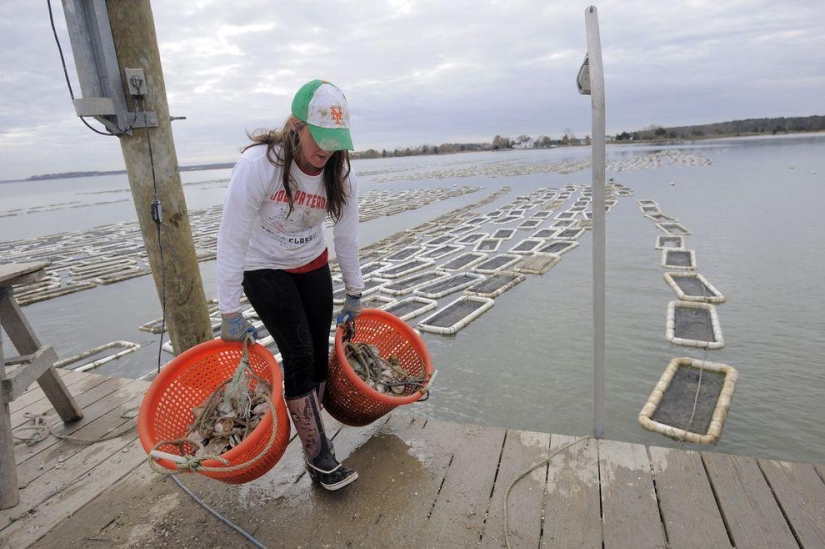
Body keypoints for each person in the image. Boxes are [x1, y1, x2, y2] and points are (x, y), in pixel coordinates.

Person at [216, 80, 364, 491]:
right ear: (296, 126)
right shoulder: (258, 166)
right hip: (262, 267)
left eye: (336, 141)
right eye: (320, 138)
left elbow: (347, 238)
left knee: (318, 359)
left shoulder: (341, 175)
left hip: (311, 263)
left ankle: (310, 431)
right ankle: (318, 455)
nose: (327, 150)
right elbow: (232, 237)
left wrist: (355, 293)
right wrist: (229, 310)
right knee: (297, 354)